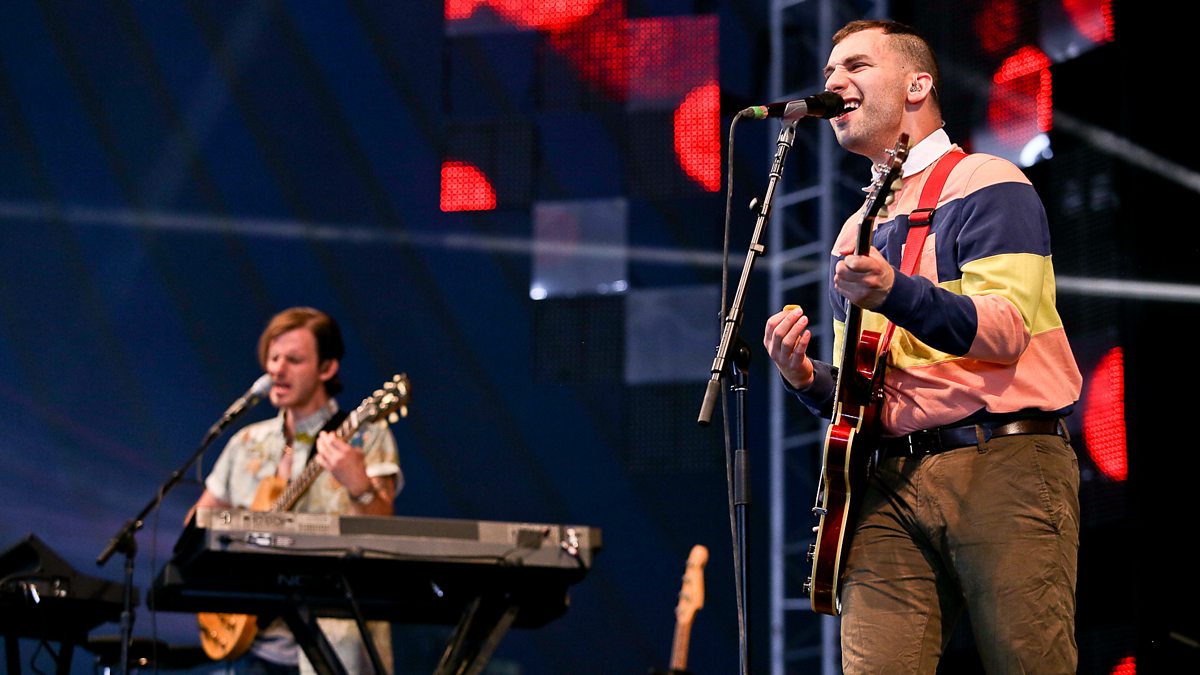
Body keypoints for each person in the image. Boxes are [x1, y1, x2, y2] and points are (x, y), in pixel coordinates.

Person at [763, 19, 1083, 674]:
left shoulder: (988, 181)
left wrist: (893, 293)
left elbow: (1003, 329)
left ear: (918, 84)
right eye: (827, 74)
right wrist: (803, 376)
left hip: (1003, 458)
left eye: (855, 66)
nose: (832, 83)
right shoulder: (855, 228)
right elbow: (865, 393)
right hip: (888, 479)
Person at [193, 306, 402, 674]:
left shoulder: (366, 436)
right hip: (250, 641)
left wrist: (359, 486)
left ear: (327, 368)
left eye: (294, 359)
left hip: (334, 640)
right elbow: (198, 522)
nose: (277, 369)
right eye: (273, 358)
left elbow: (384, 534)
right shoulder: (246, 443)